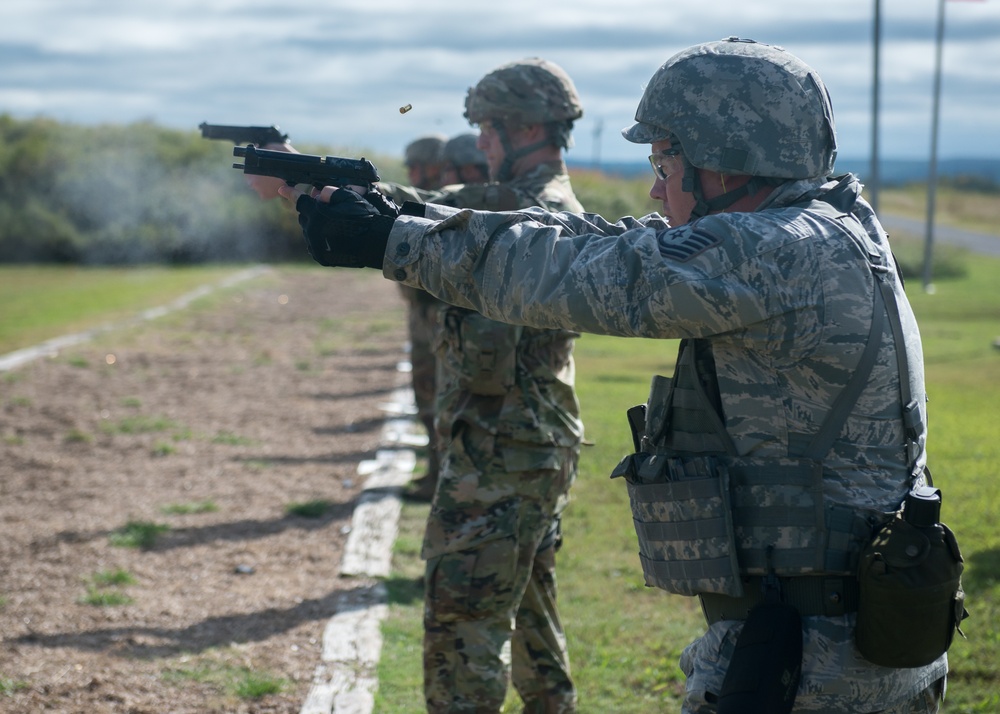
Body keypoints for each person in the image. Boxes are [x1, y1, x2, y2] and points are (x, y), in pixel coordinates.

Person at [281, 38, 955, 712]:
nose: (657, 185)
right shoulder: (827, 229)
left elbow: (598, 277)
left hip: (814, 658)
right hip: (836, 633)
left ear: (727, 157)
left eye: (666, 159)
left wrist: (392, 244)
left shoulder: (780, 252)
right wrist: (403, 219)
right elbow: (604, 241)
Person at [297, 58, 588, 712]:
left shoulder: (529, 208)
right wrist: (322, 186)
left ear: (526, 127)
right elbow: (444, 206)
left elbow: (456, 229)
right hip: (530, 445)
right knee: (533, 617)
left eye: (489, 127)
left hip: (499, 452)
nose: (480, 142)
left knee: (461, 631)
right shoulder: (533, 202)